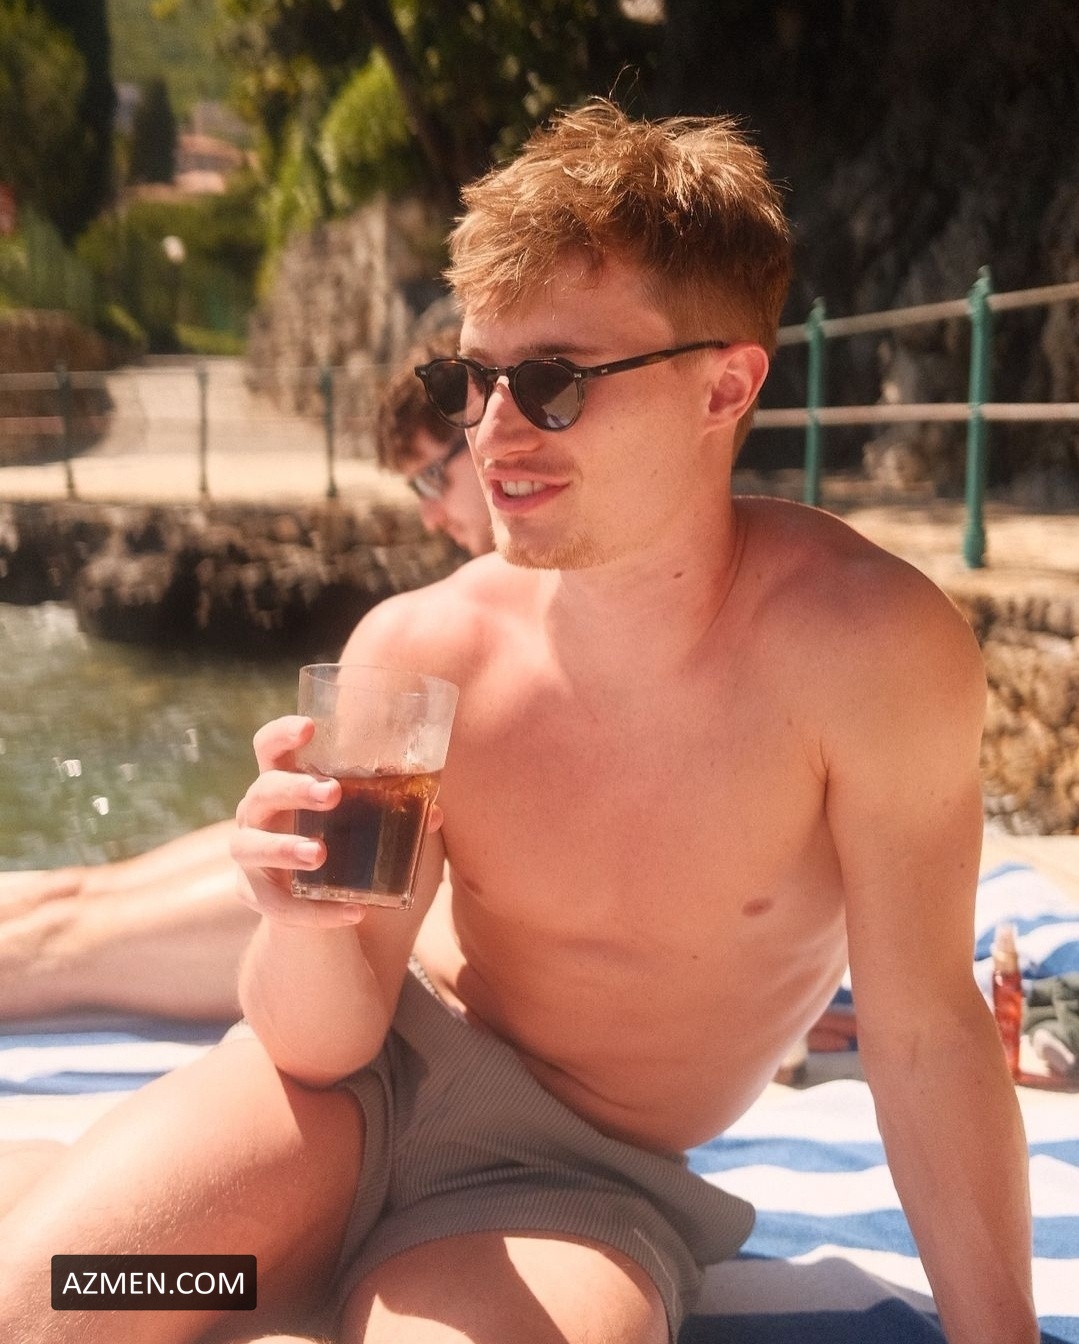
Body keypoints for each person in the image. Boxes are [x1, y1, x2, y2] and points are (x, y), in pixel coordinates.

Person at [0, 99, 1037, 1344]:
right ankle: (203, 1253)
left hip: (568, 1185)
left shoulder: (866, 652)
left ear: (723, 387)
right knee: (62, 1310)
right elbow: (320, 1045)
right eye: (468, 379)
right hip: (339, 1109)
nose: (489, 432)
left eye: (549, 384)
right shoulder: (419, 653)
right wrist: (299, 919)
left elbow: (921, 1036)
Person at [0, 333, 492, 1022]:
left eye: (431, 479)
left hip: (388, 900)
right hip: (373, 887)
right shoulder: (480, 612)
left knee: (69, 926)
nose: (429, 515)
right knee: (76, 905)